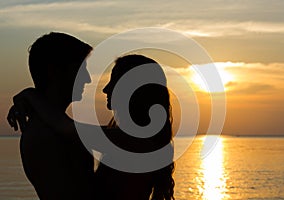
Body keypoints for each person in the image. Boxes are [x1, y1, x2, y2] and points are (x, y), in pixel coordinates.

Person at [9, 53, 175, 199]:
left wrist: (31, 95)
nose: (105, 89)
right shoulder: (130, 139)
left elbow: (67, 128)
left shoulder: (136, 143)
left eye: (114, 81)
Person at [7, 32, 95, 199]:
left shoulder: (53, 128)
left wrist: (32, 96)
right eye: (80, 69)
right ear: (54, 71)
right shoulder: (44, 135)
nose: (88, 79)